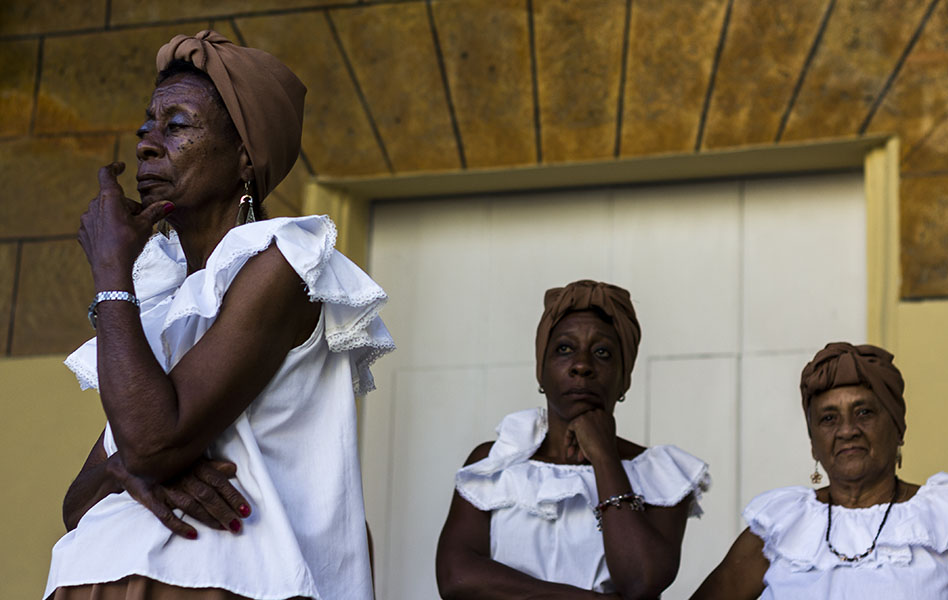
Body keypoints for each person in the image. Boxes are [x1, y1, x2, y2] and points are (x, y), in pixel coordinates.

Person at [43, 30, 394, 600]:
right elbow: (77, 504)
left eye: (177, 124)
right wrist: (125, 469)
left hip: (216, 584)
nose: (146, 145)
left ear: (245, 157)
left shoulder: (281, 264)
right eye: (146, 126)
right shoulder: (159, 296)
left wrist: (110, 272)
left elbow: (151, 443)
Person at [436, 280, 710, 599]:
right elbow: (456, 577)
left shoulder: (660, 474)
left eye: (602, 353)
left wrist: (604, 457)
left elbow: (640, 582)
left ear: (624, 379)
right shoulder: (496, 461)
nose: (582, 365)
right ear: (541, 371)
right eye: (564, 349)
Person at [691, 342, 948, 600]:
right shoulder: (778, 529)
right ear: (813, 444)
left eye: (864, 412)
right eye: (829, 418)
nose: (847, 430)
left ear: (898, 428)